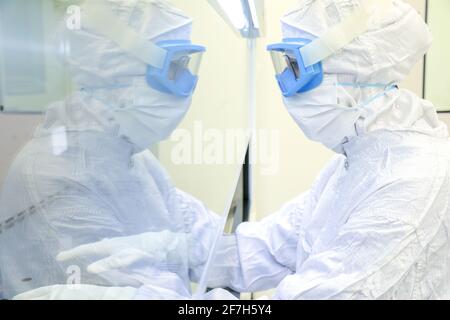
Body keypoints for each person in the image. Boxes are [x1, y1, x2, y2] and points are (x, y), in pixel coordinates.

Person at [33, 0, 450, 300]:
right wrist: (171, 248)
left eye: (294, 67)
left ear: (354, 69)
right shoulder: (361, 157)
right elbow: (264, 249)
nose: (282, 83)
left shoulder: (410, 180)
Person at [0, 0, 222, 299]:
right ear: (116, 69)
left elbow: (202, 235)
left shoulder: (130, 155)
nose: (189, 81)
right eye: (176, 66)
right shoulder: (54, 174)